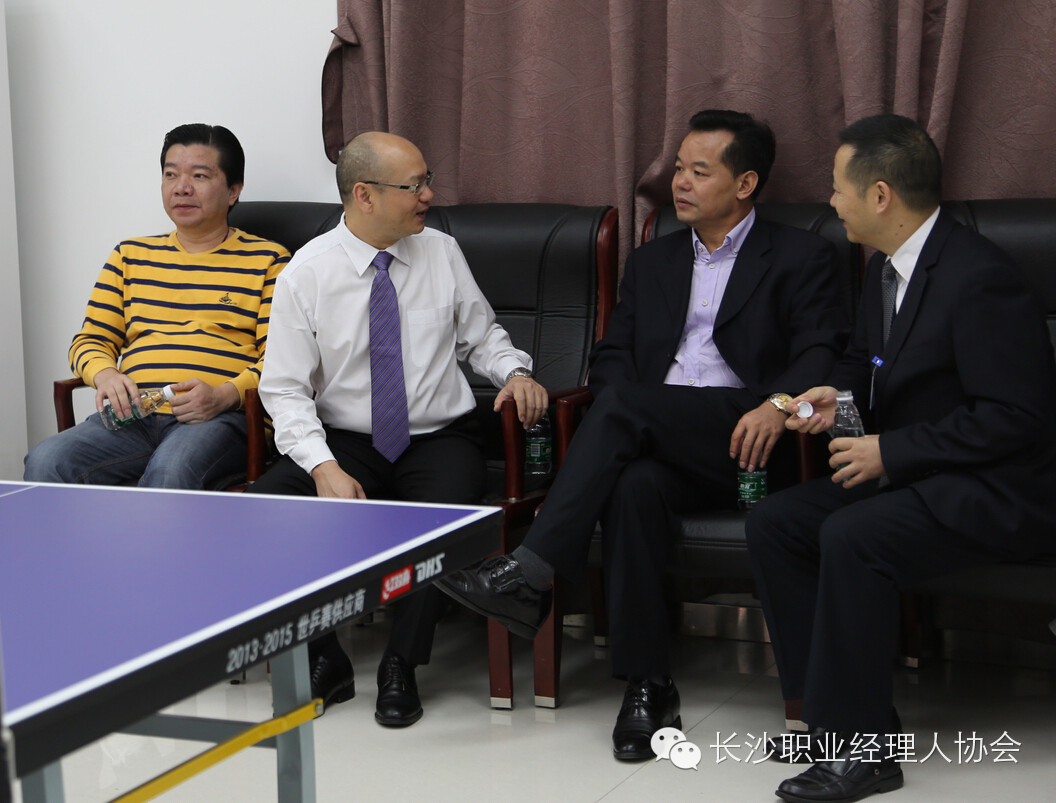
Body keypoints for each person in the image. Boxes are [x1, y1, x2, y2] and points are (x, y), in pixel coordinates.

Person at [439, 109, 850, 760]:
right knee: (632, 484)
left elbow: (822, 354)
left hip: (754, 437)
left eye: (698, 171)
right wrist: (622, 411)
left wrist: (777, 405)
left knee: (625, 408)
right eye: (678, 169)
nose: (679, 182)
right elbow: (612, 357)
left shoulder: (803, 256)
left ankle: (531, 571)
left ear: (745, 183)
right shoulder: (654, 261)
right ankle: (648, 685)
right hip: (657, 436)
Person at [746, 114, 1056, 803]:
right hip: (921, 475)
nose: (832, 201)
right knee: (776, 523)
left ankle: (868, 752)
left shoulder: (978, 276)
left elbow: (1016, 417)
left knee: (853, 534)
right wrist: (835, 402)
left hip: (996, 488)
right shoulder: (884, 269)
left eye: (838, 187)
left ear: (880, 194)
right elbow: (865, 365)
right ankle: (828, 719)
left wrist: (890, 449)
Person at [251, 131, 547, 727]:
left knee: (438, 519)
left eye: (425, 181)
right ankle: (325, 658)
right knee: (264, 512)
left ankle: (400, 664)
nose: (428, 195)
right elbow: (283, 389)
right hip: (345, 442)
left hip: (439, 438)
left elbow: (482, 337)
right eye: (415, 185)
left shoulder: (441, 251)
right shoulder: (305, 273)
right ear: (364, 195)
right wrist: (323, 467)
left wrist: (515, 373)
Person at [24, 124, 289, 490]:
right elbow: (90, 341)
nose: (181, 187)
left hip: (219, 418)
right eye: (170, 174)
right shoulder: (129, 256)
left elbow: (284, 360)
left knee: (171, 470)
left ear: (233, 191)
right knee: (46, 460)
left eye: (199, 175)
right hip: (134, 417)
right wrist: (106, 375)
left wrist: (224, 395)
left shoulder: (269, 261)